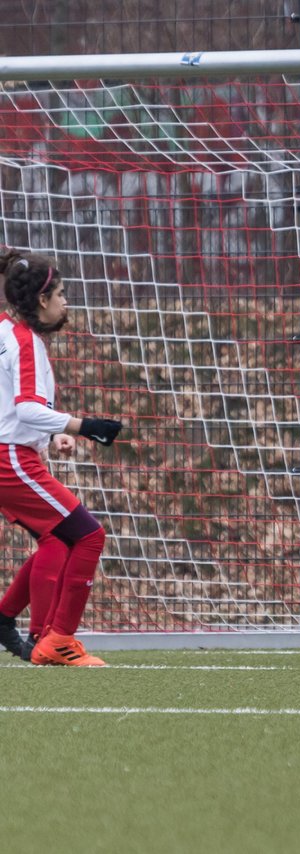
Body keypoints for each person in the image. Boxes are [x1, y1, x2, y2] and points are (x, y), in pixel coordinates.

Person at [0, 250, 124, 666]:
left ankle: (11, 622)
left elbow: (14, 405)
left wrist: (53, 435)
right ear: (42, 300)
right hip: (10, 460)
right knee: (88, 535)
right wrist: (84, 425)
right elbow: (26, 409)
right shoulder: (25, 341)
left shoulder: (5, 330)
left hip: (14, 455)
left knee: (57, 538)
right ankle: (56, 640)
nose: (66, 302)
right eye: (62, 294)